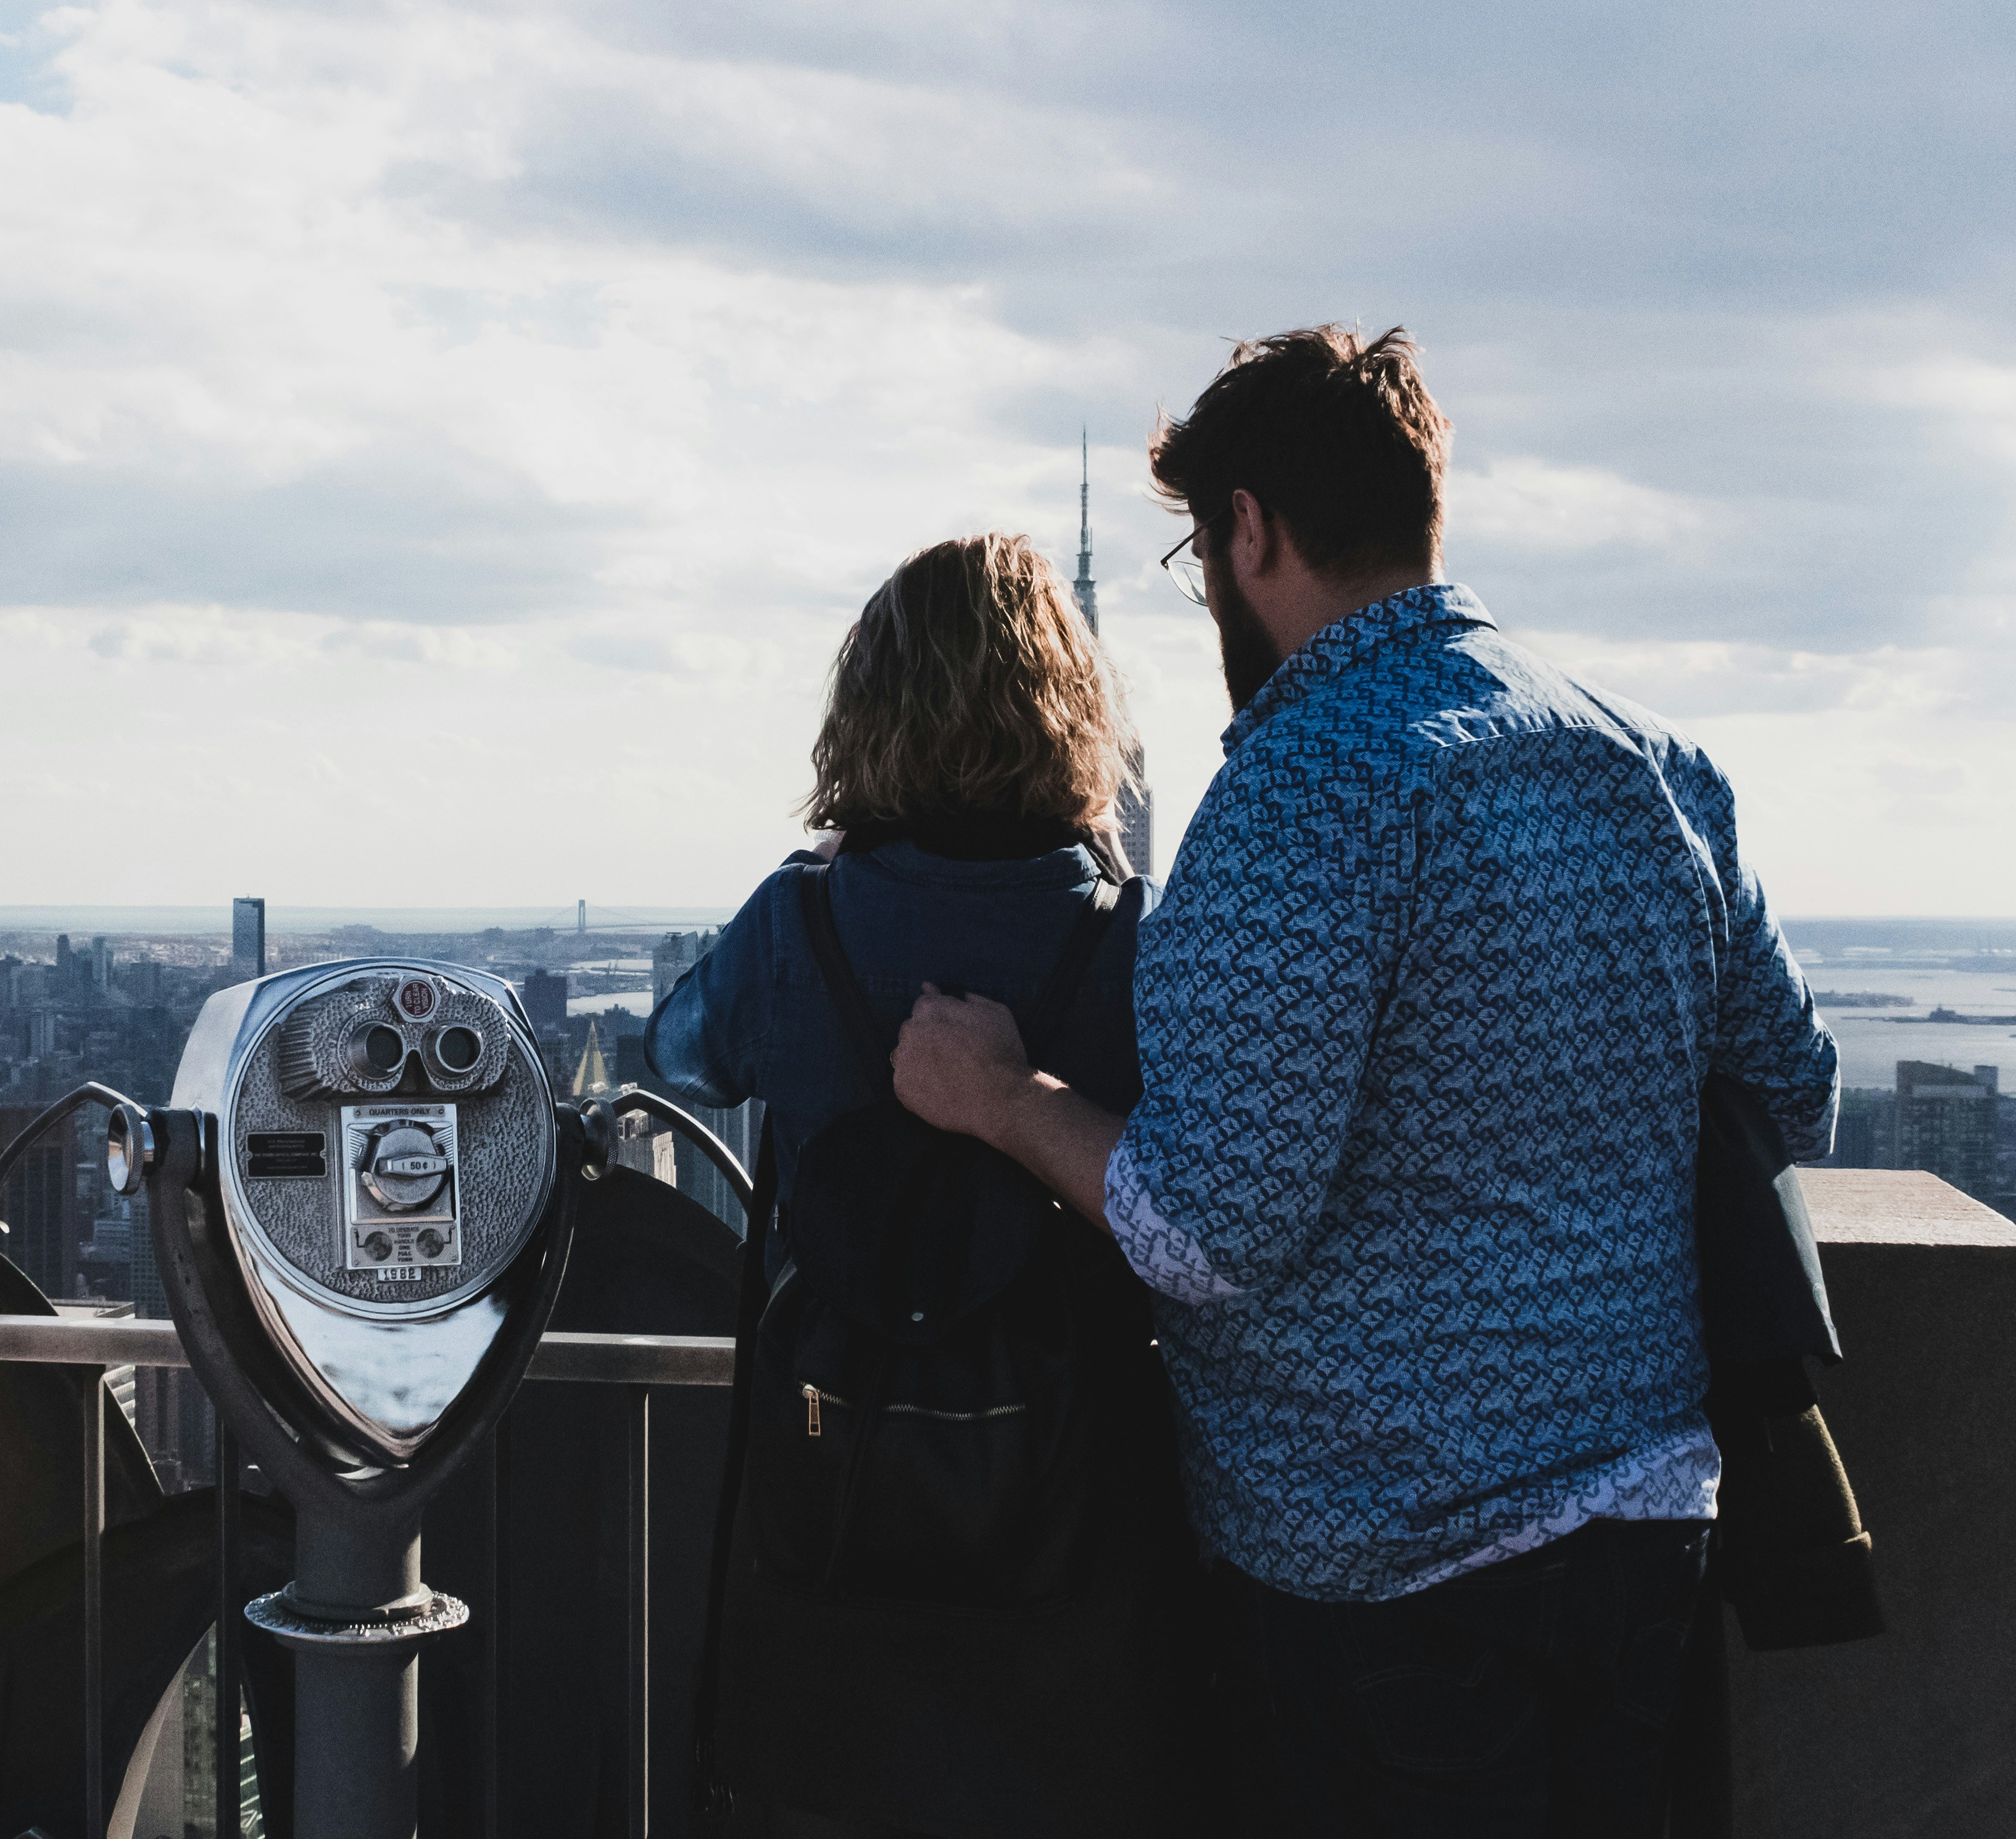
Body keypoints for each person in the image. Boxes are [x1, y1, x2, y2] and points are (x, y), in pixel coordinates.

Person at [891, 326, 1840, 1837]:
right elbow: (1793, 1097)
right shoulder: (1649, 759)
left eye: (1201, 547)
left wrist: (1004, 1097)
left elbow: (1210, 1231)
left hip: (1385, 1568)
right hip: (1654, 1521)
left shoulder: (1302, 786)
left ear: (1251, 530)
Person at [649, 530, 1222, 1837]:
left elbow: (680, 1048)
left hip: (840, 1484)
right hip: (1078, 1508)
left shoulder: (796, 927)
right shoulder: (1136, 945)